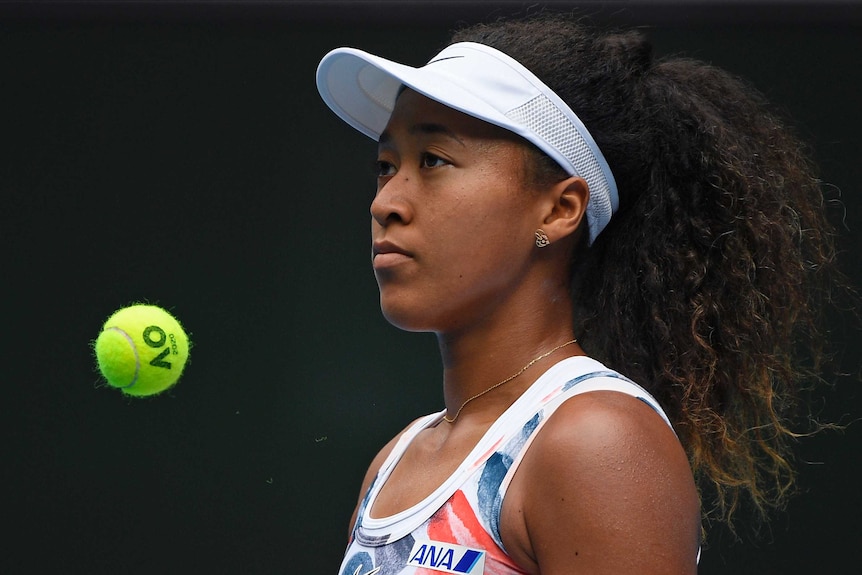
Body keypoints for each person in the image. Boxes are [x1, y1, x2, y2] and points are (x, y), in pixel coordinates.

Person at [315, 14, 845, 575]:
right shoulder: (393, 464)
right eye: (385, 165)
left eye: (434, 161)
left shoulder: (594, 442)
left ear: (559, 208)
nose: (385, 203)